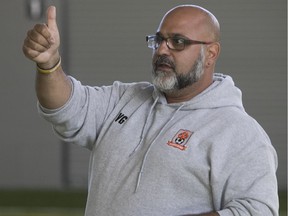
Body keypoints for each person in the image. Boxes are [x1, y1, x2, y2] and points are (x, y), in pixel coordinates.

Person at [22, 4, 279, 216]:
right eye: (159, 40)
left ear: (211, 53)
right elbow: (64, 107)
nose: (162, 50)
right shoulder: (125, 99)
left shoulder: (238, 131)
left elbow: (257, 210)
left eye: (178, 42)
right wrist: (49, 64)